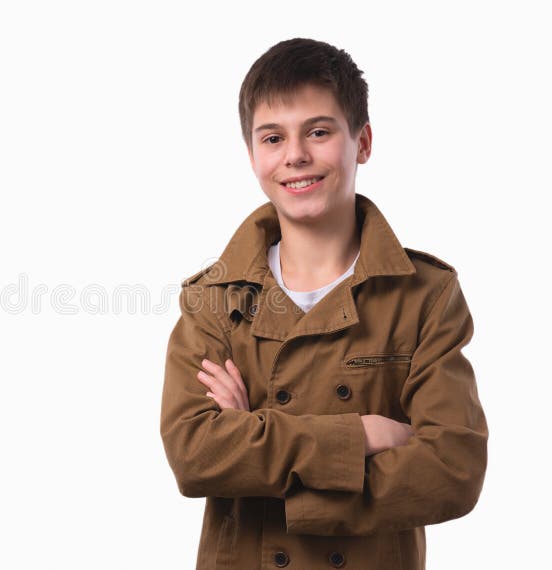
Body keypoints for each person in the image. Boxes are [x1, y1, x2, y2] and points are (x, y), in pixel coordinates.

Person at [159, 38, 488, 570]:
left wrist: (255, 438)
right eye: (273, 137)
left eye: (318, 131)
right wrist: (363, 434)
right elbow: (195, 453)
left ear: (362, 142)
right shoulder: (213, 299)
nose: (295, 155)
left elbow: (454, 469)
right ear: (251, 156)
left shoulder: (426, 295)